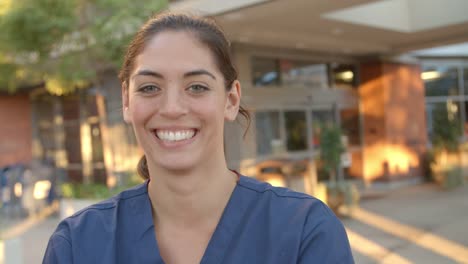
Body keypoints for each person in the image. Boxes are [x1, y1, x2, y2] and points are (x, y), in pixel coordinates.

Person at [43, 13, 354, 264]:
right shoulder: (78, 244)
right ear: (126, 101)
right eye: (150, 87)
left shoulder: (305, 231)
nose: (172, 108)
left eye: (197, 87)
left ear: (231, 100)